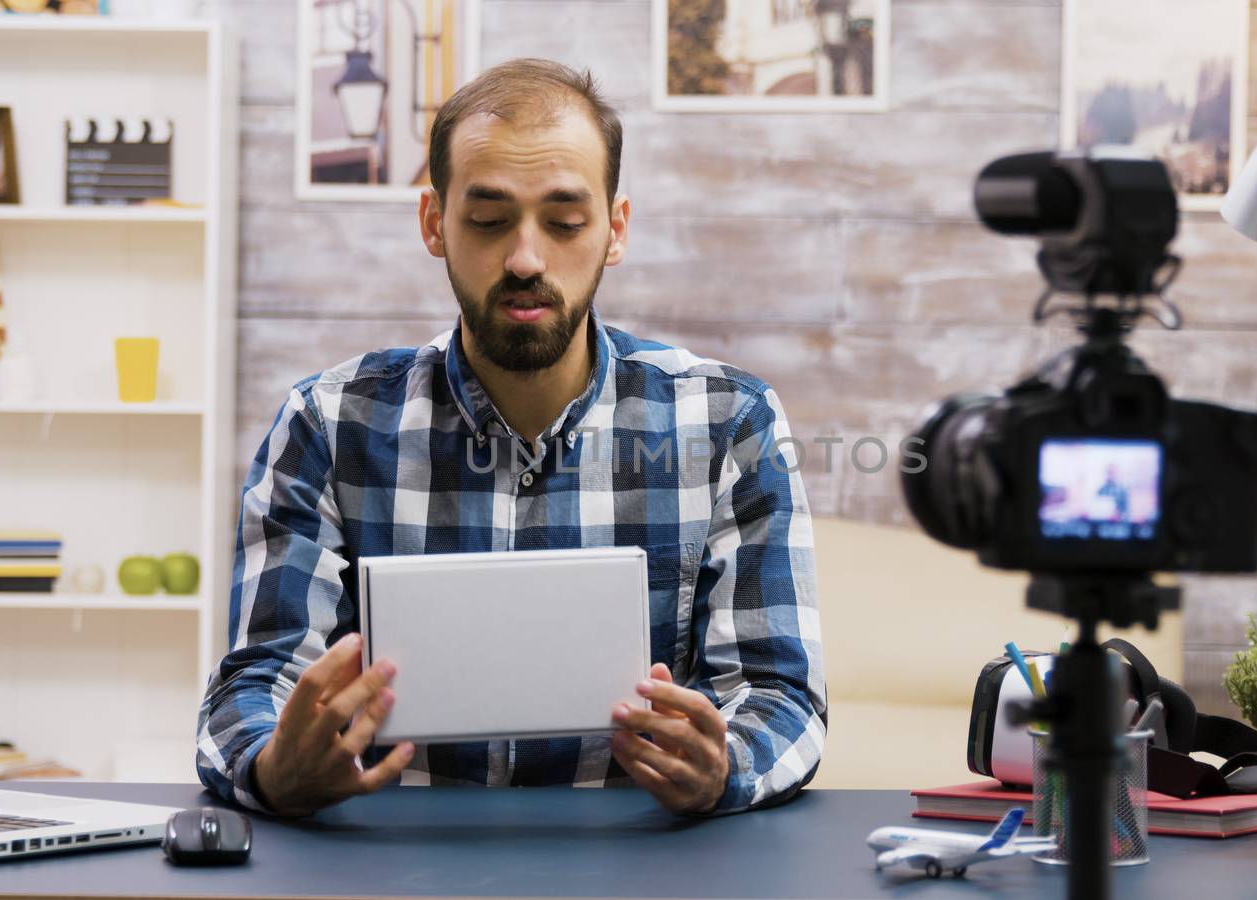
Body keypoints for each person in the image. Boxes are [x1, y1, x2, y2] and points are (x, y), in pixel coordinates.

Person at [195, 59, 826, 819]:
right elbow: (257, 684)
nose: (527, 259)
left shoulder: (731, 422)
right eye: (489, 220)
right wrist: (272, 765)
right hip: (387, 869)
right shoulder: (327, 425)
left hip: (649, 871)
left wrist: (728, 765)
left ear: (615, 229)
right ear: (433, 222)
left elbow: (780, 696)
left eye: (564, 222)